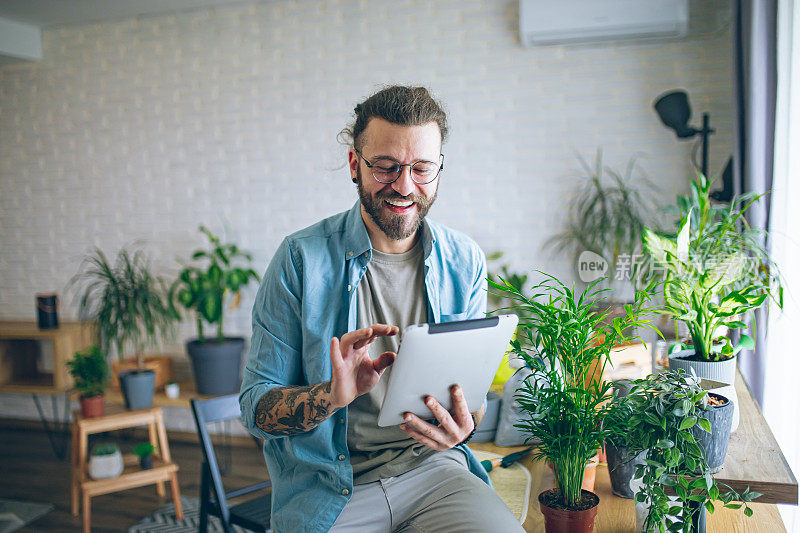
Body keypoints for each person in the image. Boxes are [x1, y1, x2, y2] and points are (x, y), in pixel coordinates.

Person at [239, 85, 524, 532]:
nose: (405, 186)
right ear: (355, 165)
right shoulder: (299, 259)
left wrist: (462, 428)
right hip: (329, 488)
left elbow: (471, 402)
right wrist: (330, 397)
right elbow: (256, 410)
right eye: (387, 167)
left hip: (435, 473)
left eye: (422, 168)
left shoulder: (465, 260)